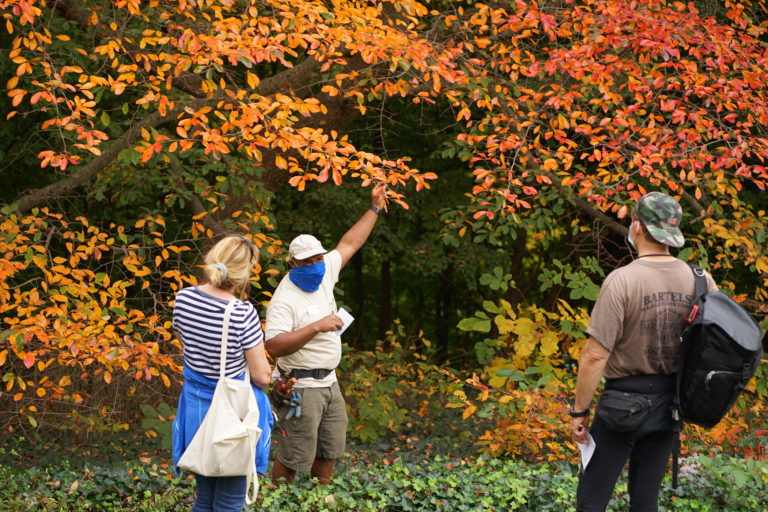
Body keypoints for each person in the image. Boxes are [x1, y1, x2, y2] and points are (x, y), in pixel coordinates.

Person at [569, 192, 717, 512]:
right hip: (670, 405)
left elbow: (595, 355)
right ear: (672, 232)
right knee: (645, 502)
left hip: (621, 406)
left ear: (636, 225)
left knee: (591, 501)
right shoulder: (701, 281)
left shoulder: (622, 280)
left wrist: (579, 412)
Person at [265, 183, 387, 485]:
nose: (316, 265)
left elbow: (350, 244)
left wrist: (374, 207)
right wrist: (316, 326)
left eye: (318, 258)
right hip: (300, 386)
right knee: (293, 455)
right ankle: (280, 502)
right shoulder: (285, 297)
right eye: (308, 261)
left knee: (329, 449)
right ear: (293, 263)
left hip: (330, 382)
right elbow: (274, 346)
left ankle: (322, 499)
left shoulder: (323, 272)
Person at [171, 235, 273, 512]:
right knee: (229, 501)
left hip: (196, 409)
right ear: (245, 272)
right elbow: (261, 376)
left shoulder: (183, 299)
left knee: (204, 498)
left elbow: (186, 348)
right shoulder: (242, 313)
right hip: (230, 416)